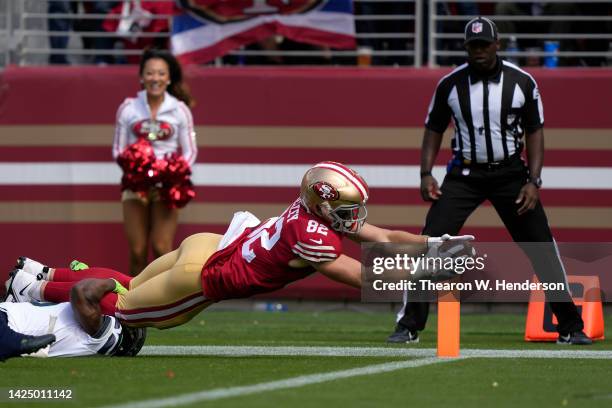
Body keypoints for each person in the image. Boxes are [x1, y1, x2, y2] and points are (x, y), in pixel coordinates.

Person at [7, 161, 474, 330]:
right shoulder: (313, 235)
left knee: (133, 282)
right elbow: (361, 276)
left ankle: (41, 272)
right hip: (205, 277)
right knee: (122, 310)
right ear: (323, 203)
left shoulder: (308, 212)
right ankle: (33, 291)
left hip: (208, 244)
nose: (355, 217)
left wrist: (435, 244)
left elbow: (387, 238)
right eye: (347, 206)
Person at [387, 17, 592, 346]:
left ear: (498, 45)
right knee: (431, 245)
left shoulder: (521, 82)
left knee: (541, 247)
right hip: (464, 175)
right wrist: (426, 172)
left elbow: (535, 131)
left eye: (485, 45)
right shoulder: (451, 84)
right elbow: (433, 128)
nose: (479, 51)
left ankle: (570, 325)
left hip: (511, 174)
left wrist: (534, 181)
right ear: (466, 48)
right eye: (473, 46)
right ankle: (409, 325)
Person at [113, 48, 197, 276]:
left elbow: (190, 152)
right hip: (135, 186)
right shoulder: (128, 108)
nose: (155, 79)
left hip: (167, 187)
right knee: (138, 251)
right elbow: (118, 149)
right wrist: (137, 169)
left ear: (169, 78)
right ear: (141, 77)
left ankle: (162, 305)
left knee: (162, 249)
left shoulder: (180, 110)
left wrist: (170, 172)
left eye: (161, 74)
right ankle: (131, 305)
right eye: (150, 73)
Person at [2, 271, 146, 360]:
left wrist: (112, 283)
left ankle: (10, 343)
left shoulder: (109, 336)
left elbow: (80, 291)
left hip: (9, 324)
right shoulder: (97, 333)